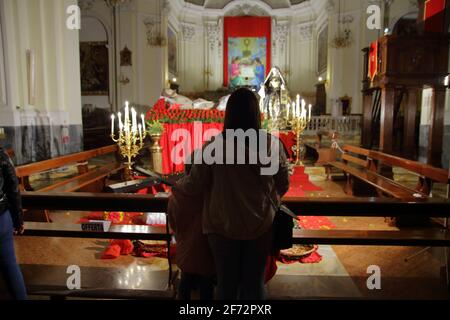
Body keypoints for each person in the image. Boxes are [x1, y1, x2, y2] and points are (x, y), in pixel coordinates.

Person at [175, 88, 290, 300]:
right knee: (254, 284)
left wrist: (178, 183)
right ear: (257, 113)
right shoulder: (269, 145)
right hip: (260, 225)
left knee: (226, 284)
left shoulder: (215, 147)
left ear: (228, 114)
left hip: (221, 226)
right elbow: (283, 184)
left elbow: (193, 186)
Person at [168, 161, 216, 300]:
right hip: (206, 243)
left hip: (184, 242)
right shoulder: (210, 191)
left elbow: (172, 221)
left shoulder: (177, 191)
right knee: (206, 284)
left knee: (186, 279)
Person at [0, 147, 27, 300]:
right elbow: (12, 187)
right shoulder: (0, 153)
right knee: (10, 266)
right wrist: (18, 220)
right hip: (1, 219)